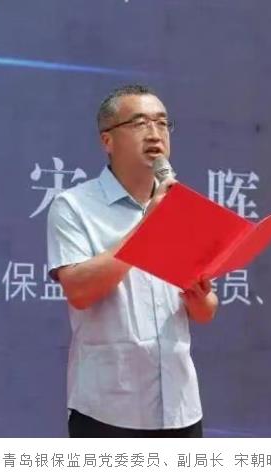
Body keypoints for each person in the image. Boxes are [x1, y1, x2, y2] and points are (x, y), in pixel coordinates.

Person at [46, 84, 218, 437]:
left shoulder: (182, 208)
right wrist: (149, 226)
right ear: (107, 140)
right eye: (140, 123)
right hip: (108, 409)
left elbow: (205, 311)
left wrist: (201, 298)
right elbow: (79, 291)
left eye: (162, 123)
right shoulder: (74, 206)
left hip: (181, 408)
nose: (155, 134)